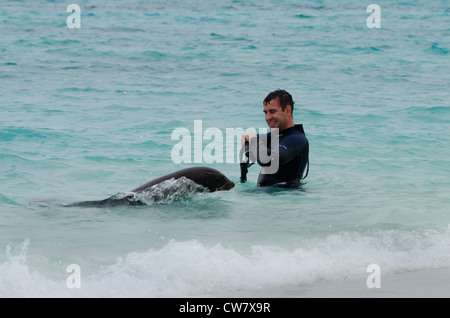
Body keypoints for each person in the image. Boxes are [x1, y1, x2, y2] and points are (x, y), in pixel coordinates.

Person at [241, 89, 309, 187]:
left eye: (272, 112)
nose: (268, 117)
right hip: (267, 197)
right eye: (265, 113)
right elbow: (246, 138)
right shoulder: (276, 136)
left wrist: (253, 140)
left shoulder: (296, 139)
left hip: (284, 198)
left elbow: (267, 160)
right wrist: (250, 141)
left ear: (287, 110)